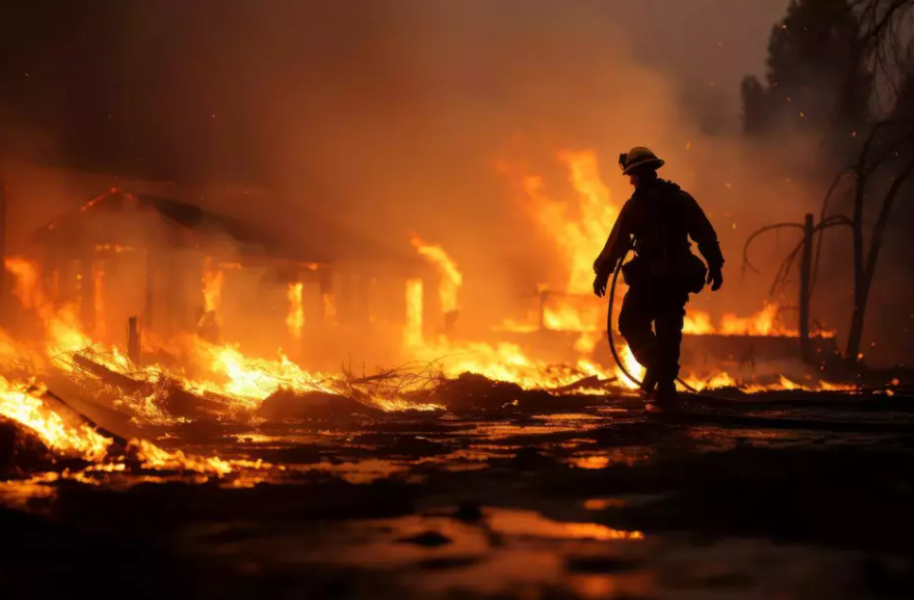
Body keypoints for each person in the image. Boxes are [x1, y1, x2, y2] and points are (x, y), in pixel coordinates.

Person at [592, 147, 724, 403]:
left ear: (638, 174)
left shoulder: (636, 206)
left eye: (631, 176)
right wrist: (715, 265)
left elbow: (617, 242)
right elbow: (704, 234)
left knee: (630, 323)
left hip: (650, 279)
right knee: (669, 329)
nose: (631, 181)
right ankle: (664, 385)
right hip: (678, 277)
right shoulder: (682, 199)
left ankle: (658, 369)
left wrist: (602, 272)